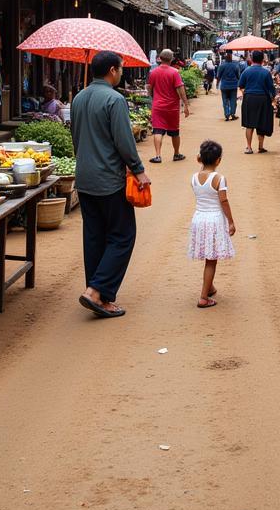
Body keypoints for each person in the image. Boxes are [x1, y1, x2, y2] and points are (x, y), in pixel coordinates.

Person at [71, 50, 150, 318]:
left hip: (84, 177)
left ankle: (100, 297)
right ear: (112, 71)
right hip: (109, 179)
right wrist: (138, 170)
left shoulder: (79, 97)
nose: (122, 72)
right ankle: (95, 291)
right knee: (122, 235)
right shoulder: (115, 100)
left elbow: (75, 137)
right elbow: (124, 141)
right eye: (121, 68)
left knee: (94, 236)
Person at [188, 139, 236, 309]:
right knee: (211, 259)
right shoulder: (219, 179)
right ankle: (203, 297)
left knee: (208, 255)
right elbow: (223, 200)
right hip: (214, 220)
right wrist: (231, 221)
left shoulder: (194, 178)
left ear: (199, 158)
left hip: (199, 218)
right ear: (218, 160)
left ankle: (210, 287)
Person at [147, 49, 190, 162]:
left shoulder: (153, 72)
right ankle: (176, 154)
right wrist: (185, 104)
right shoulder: (174, 72)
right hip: (172, 107)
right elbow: (180, 89)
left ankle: (157, 155)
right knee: (175, 132)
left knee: (157, 131)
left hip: (158, 106)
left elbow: (149, 88)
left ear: (159, 58)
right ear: (171, 59)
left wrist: (153, 97)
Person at [238, 49, 276, 154]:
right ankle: (260, 147)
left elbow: (241, 86)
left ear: (251, 59)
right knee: (262, 122)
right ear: (262, 60)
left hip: (249, 98)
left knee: (249, 124)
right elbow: (271, 88)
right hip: (263, 99)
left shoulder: (246, 71)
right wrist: (273, 99)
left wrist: (246, 93)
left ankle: (249, 147)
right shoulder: (266, 72)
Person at [215, 50, 243, 121]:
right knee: (233, 101)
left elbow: (218, 76)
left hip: (224, 86)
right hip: (233, 86)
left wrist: (217, 84)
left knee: (225, 101)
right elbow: (238, 76)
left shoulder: (222, 66)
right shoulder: (235, 66)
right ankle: (232, 114)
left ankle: (227, 115)